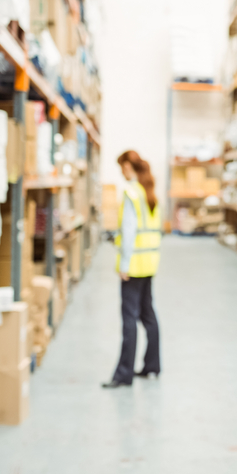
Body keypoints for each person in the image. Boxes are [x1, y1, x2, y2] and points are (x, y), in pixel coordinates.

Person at [103, 150, 162, 388]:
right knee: (148, 315)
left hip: (134, 265)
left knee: (129, 319)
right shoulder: (150, 193)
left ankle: (123, 374)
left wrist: (124, 264)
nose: (121, 173)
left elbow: (128, 233)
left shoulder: (131, 193)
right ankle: (152, 366)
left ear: (128, 166)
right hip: (150, 263)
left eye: (121, 168)